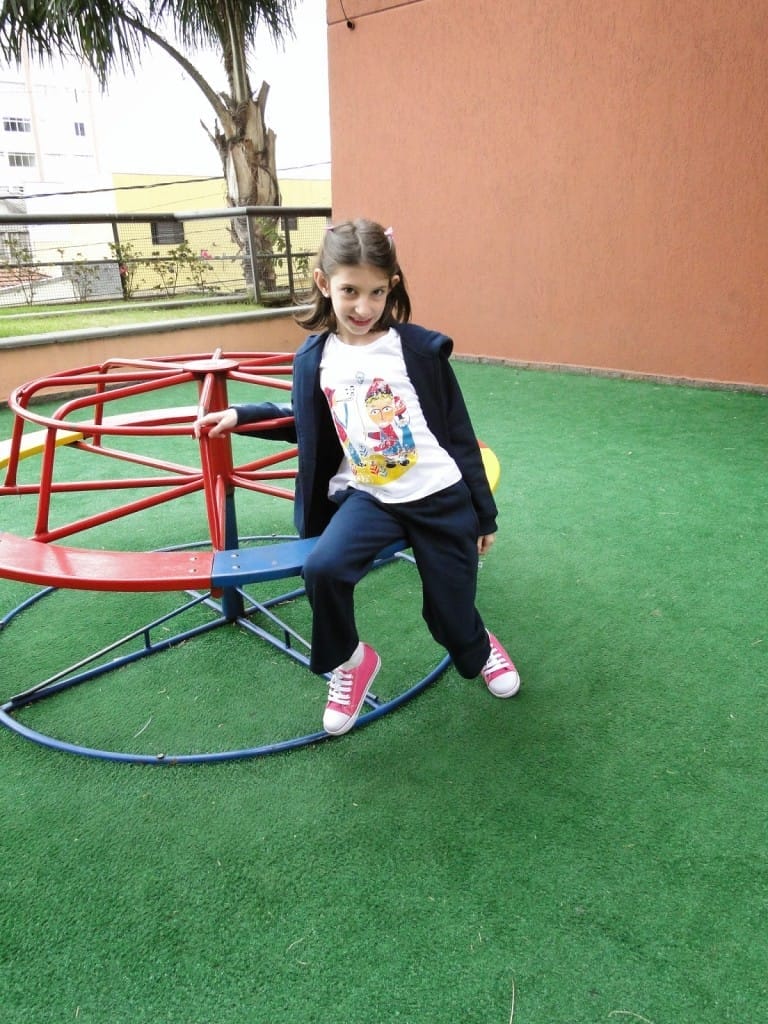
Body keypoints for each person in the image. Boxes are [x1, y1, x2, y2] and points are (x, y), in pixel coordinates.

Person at [195, 218, 520, 736]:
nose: (363, 307)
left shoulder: (416, 351)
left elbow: (459, 434)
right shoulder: (316, 358)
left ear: (391, 287)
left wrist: (485, 514)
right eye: (350, 291)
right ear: (324, 283)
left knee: (450, 612)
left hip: (439, 497)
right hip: (371, 498)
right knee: (323, 569)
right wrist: (243, 416)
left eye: (376, 292)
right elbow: (309, 421)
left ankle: (479, 647)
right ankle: (351, 661)